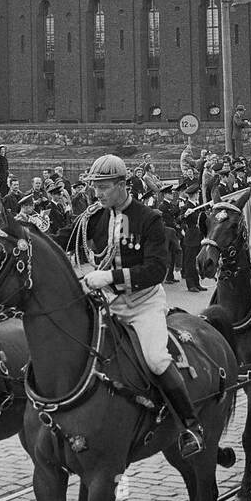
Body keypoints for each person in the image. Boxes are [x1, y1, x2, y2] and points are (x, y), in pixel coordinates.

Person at [77, 154, 205, 457]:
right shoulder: (95, 217)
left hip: (143, 303)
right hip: (110, 303)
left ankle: (190, 426)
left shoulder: (149, 219)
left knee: (156, 359)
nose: (98, 193)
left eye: (104, 186)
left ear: (123, 185)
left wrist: (109, 275)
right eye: (95, 187)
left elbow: (156, 270)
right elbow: (66, 239)